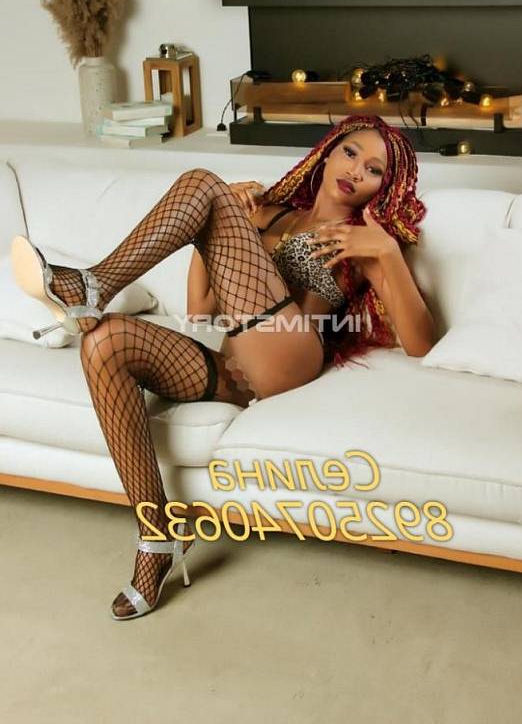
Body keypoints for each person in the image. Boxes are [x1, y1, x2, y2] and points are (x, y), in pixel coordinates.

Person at [10, 114, 435, 621]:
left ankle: (92, 285)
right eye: (350, 152)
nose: (356, 170)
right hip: (236, 371)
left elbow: (420, 344)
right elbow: (201, 310)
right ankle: (157, 536)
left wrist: (386, 254)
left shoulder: (360, 240)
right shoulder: (268, 214)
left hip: (292, 357)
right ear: (327, 151)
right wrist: (212, 229)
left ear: (382, 188)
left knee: (202, 183)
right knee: (104, 342)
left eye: (374, 170)